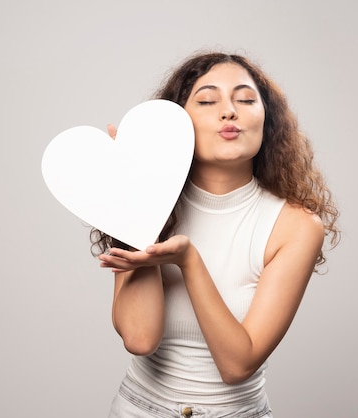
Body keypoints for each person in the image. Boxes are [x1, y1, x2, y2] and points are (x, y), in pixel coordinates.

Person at [92, 51, 340, 417]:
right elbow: (139, 338)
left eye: (245, 100)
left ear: (267, 120)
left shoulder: (296, 226)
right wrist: (136, 197)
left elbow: (237, 365)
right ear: (177, 122)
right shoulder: (147, 202)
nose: (229, 111)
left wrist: (189, 262)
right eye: (208, 100)